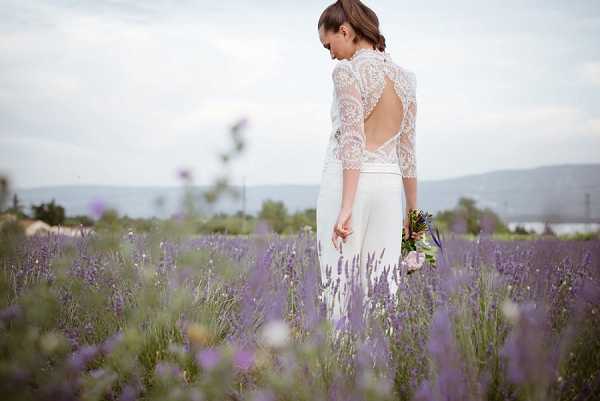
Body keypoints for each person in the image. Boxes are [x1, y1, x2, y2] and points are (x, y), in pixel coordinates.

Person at [316, 0, 422, 323]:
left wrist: (346, 206)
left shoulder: (346, 72)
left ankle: (340, 370)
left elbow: (352, 140)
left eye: (329, 44)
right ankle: (377, 369)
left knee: (339, 291)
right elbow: (408, 153)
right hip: (389, 190)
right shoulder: (406, 79)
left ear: (345, 31)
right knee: (383, 289)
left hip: (348, 184)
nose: (331, 54)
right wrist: (413, 216)